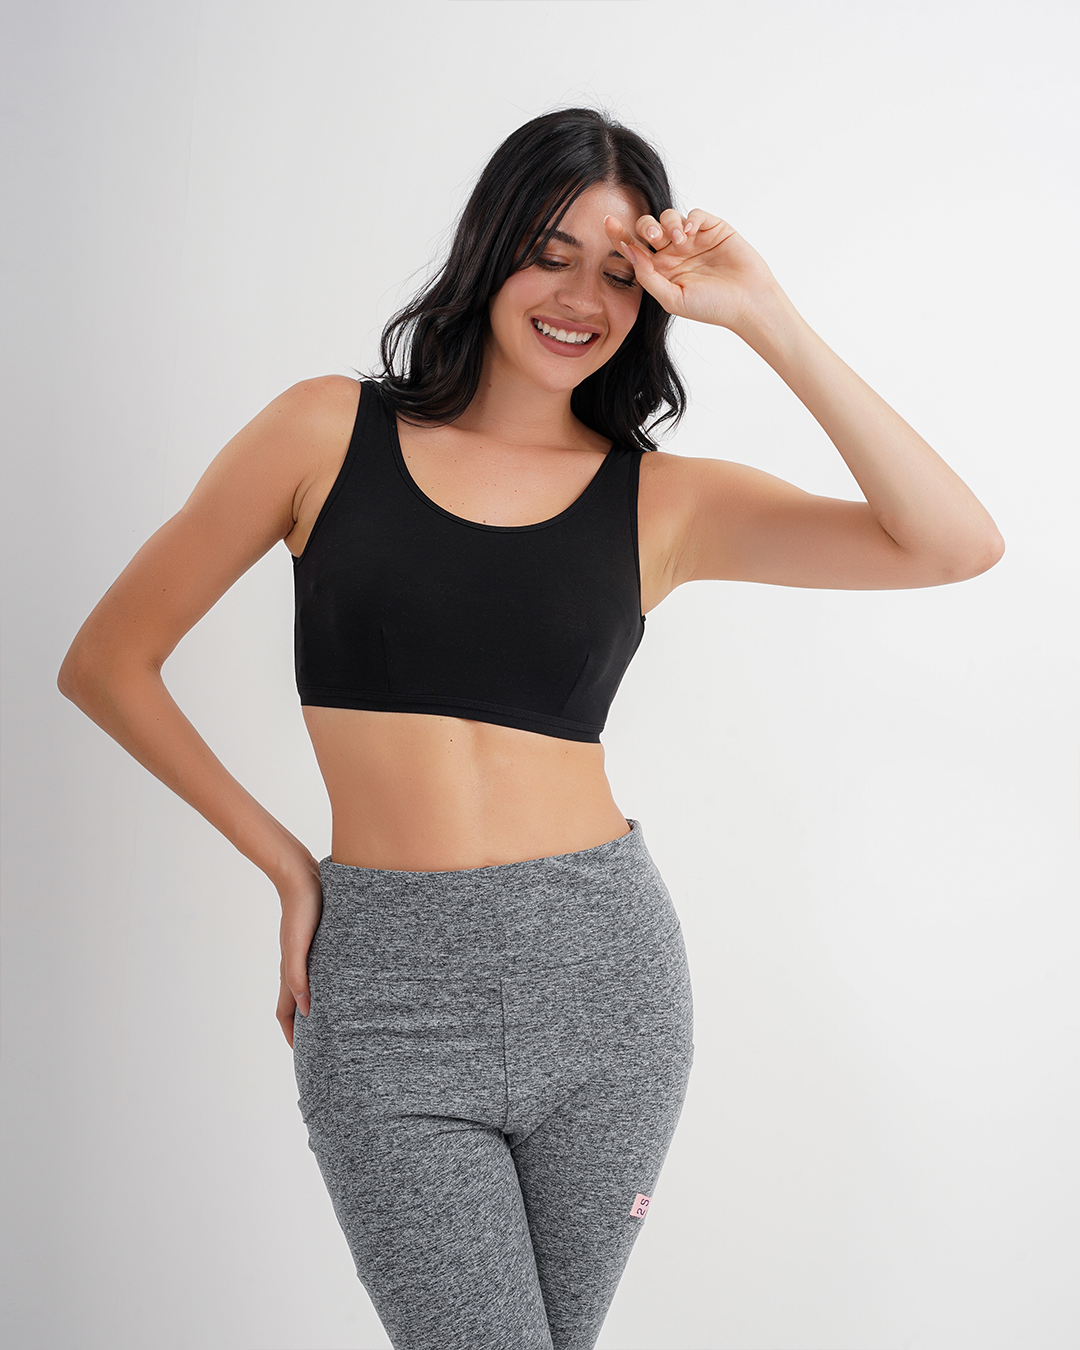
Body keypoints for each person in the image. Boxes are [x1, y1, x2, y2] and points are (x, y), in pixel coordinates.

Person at [57, 107, 1004, 1350]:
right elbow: (108, 664)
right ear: (490, 249)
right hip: (386, 986)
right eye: (550, 254)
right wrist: (288, 867)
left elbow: (953, 544)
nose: (579, 299)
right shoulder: (323, 432)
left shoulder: (662, 501)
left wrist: (767, 314)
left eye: (618, 273)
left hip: (605, 980)